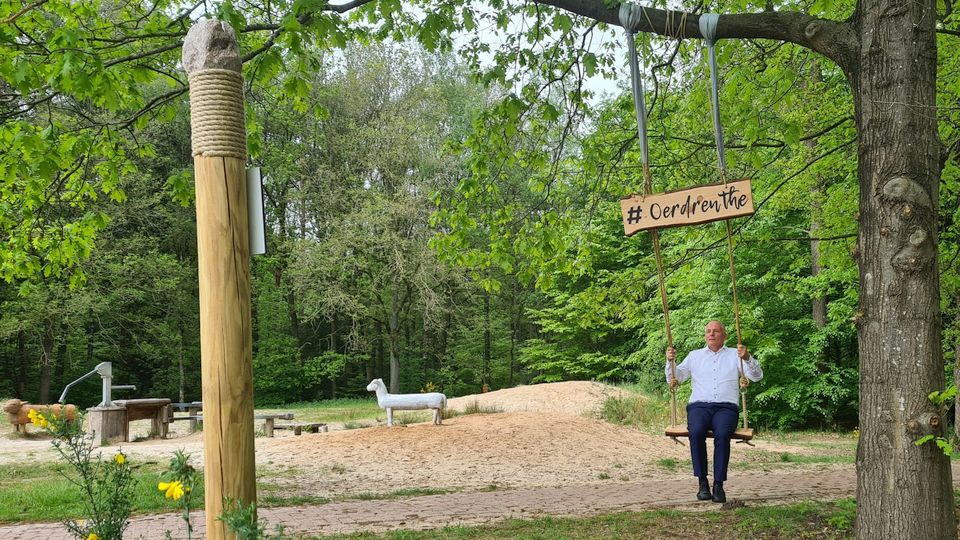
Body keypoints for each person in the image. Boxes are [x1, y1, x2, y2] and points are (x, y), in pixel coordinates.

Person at [665, 320, 763, 503]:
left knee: (724, 434)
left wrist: (748, 357)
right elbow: (676, 377)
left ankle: (718, 484)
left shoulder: (736, 355)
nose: (711, 334)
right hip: (699, 406)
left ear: (724, 336)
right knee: (696, 431)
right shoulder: (694, 356)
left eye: (716, 331)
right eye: (708, 331)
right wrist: (670, 361)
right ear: (705, 335)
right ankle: (702, 483)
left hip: (726, 407)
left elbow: (757, 377)